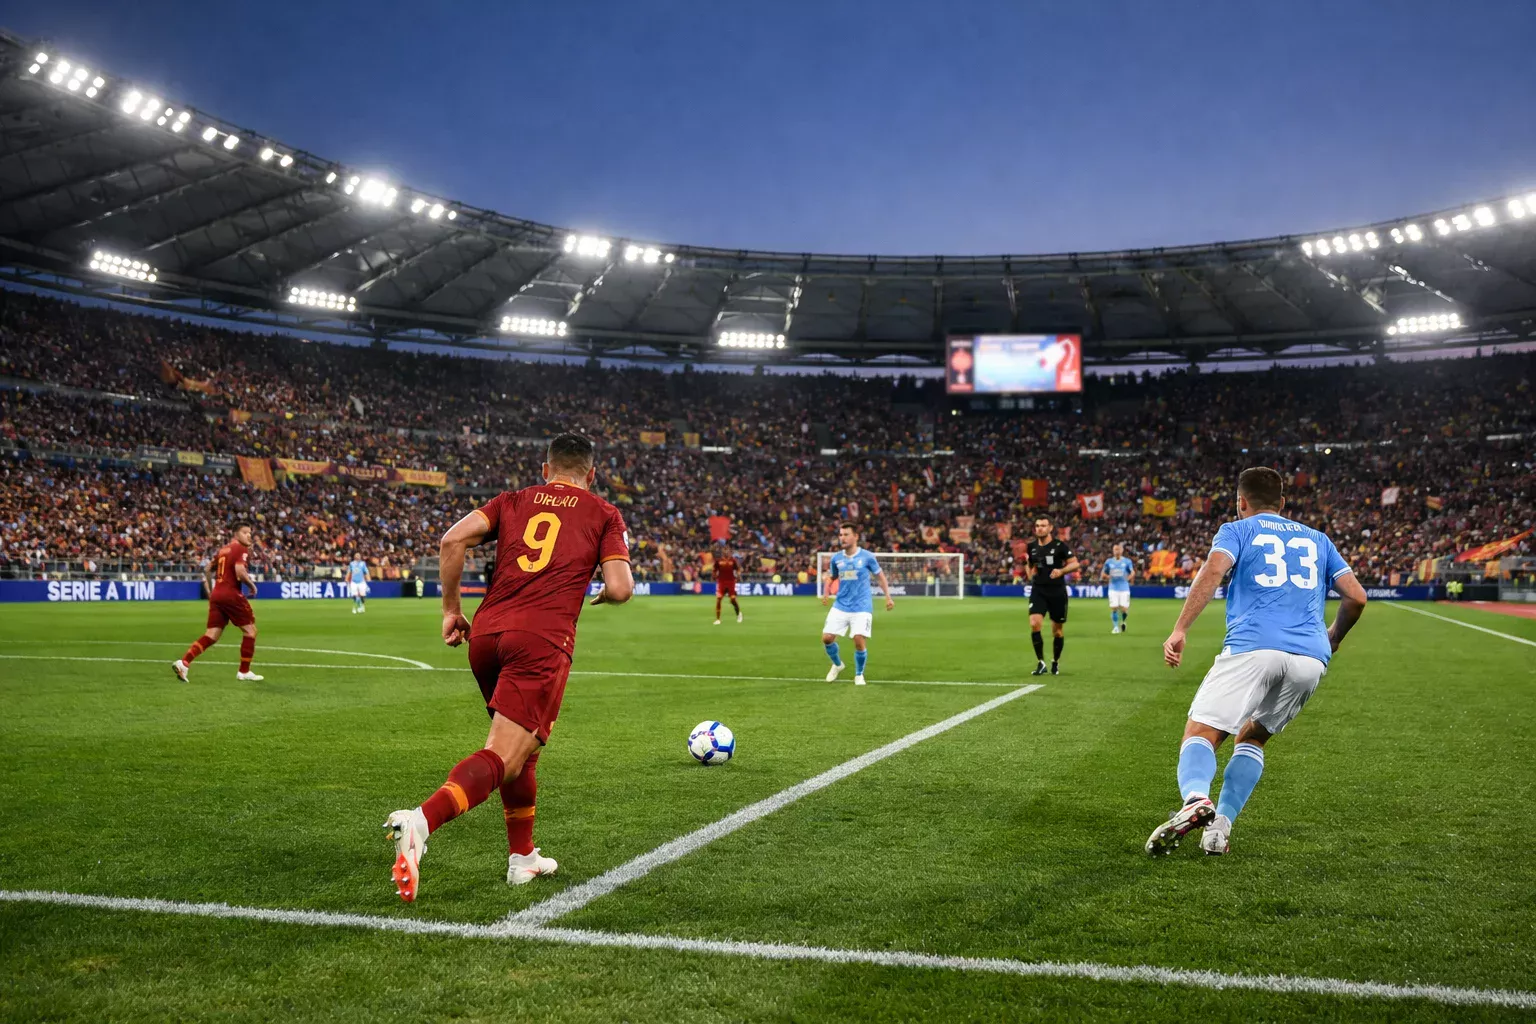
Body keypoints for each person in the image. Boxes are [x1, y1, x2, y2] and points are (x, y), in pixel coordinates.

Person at [384, 434, 632, 902]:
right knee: (504, 755)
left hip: (486, 635)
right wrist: (602, 591)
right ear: (592, 474)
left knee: (523, 754)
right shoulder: (603, 512)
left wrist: (450, 610)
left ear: (546, 469)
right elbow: (620, 588)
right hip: (540, 641)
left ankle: (523, 859)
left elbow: (452, 539)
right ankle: (419, 822)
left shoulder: (512, 501)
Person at [1146, 467, 1368, 857]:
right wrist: (1331, 639)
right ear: (1282, 503)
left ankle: (1196, 799)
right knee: (1253, 737)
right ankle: (1220, 829)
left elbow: (1214, 569)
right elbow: (1357, 597)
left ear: (1241, 502)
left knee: (1203, 732)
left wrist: (1180, 628)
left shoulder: (1236, 529)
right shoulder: (1319, 539)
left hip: (1254, 646)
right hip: (1310, 659)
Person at [173, 523, 262, 682]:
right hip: (230, 594)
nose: (249, 535)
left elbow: (207, 569)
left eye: (250, 532)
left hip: (217, 594)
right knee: (250, 631)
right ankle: (244, 671)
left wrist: (210, 591)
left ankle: (184, 663)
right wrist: (253, 586)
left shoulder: (223, 550)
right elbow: (240, 573)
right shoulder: (240, 548)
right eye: (245, 532)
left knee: (212, 635)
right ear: (237, 535)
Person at [819, 522, 893, 686]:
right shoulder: (836, 558)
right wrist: (826, 591)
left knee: (859, 640)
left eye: (846, 534)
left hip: (862, 606)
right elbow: (832, 577)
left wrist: (888, 596)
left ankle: (859, 675)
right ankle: (838, 665)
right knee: (827, 638)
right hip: (841, 605)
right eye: (840, 535)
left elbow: (880, 577)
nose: (842, 538)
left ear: (855, 537)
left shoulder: (867, 557)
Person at [1025, 516, 1079, 676]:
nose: (1039, 528)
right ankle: (1041, 662)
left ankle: (1055, 661)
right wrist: (1028, 566)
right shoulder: (1031, 547)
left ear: (1050, 528)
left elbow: (1075, 563)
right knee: (1034, 624)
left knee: (1057, 631)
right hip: (1038, 590)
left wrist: (1061, 571)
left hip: (1057, 592)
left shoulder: (1059, 546)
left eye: (1043, 525)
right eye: (1037, 525)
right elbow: (1031, 570)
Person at [1100, 543, 1135, 633]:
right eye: (1115, 549)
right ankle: (1115, 627)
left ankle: (1123, 622)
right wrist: (1108, 577)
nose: (1117, 551)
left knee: (1124, 609)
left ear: (1122, 551)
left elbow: (1132, 572)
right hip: (1113, 588)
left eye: (1118, 549)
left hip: (1124, 588)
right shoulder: (1109, 562)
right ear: (1113, 551)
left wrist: (1128, 578)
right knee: (1114, 607)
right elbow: (1103, 574)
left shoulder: (1127, 561)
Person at [712, 548, 742, 625]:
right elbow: (714, 569)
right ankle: (718, 619)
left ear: (729, 552)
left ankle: (739, 614)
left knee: (732, 599)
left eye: (727, 551)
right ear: (722, 552)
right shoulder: (718, 561)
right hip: (721, 582)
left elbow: (738, 569)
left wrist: (738, 574)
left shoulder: (733, 560)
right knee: (719, 598)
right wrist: (714, 575)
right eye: (724, 551)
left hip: (731, 581)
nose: (726, 552)